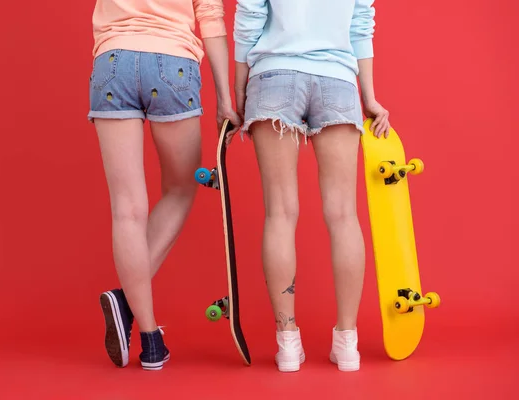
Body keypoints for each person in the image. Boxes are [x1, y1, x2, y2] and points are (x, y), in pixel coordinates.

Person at [233, 0, 390, 373]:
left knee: (281, 213)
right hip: (337, 79)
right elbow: (360, 25)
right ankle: (347, 343)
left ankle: (288, 343)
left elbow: (249, 19)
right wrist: (368, 96)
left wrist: (238, 93)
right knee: (343, 215)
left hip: (274, 77)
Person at [88, 0, 240, 371]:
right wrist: (224, 99)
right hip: (172, 62)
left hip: (112, 62)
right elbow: (211, 17)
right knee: (181, 188)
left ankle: (151, 338)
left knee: (127, 208)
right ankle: (125, 303)